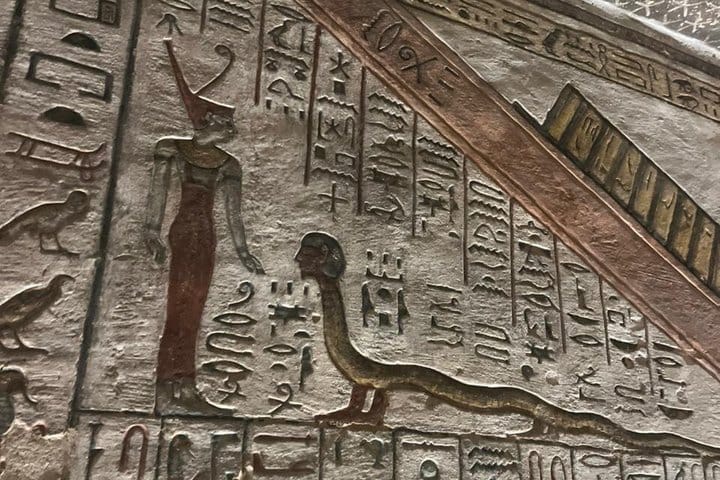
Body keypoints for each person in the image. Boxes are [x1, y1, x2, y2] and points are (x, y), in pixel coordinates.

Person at [144, 39, 263, 414]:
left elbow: (233, 213)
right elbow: (158, 192)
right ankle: (166, 388)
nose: (231, 130)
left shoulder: (228, 164)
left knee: (193, 310)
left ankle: (184, 386)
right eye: (225, 124)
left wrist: (243, 251)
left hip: (205, 236)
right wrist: (151, 231)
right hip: (184, 232)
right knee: (178, 309)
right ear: (207, 121)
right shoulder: (172, 149)